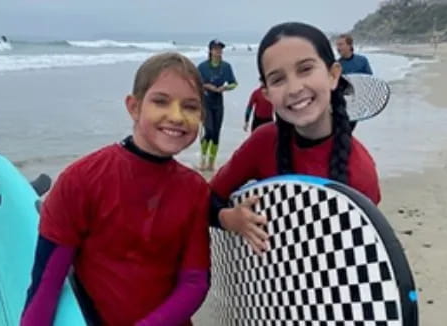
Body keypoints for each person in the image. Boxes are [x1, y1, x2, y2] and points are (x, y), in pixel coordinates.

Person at [21, 53, 211, 326]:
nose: (177, 116)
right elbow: (47, 281)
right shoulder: (81, 180)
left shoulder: (194, 190)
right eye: (161, 101)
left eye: (190, 107)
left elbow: (194, 282)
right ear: (133, 107)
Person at [208, 22, 381, 254]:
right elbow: (207, 199)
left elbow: (367, 255)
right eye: (278, 79)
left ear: (333, 75)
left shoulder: (360, 169)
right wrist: (229, 219)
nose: (294, 88)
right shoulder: (263, 142)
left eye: (305, 69)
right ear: (267, 94)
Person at [197, 39, 238, 171]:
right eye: (215, 49)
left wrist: (224, 88)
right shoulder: (202, 67)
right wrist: (206, 85)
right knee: (208, 131)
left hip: (218, 102)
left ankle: (211, 163)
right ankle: (202, 159)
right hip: (206, 102)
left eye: (220, 49)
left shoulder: (226, 67)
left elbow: (234, 83)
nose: (218, 51)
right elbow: (194, 82)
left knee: (216, 134)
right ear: (210, 50)